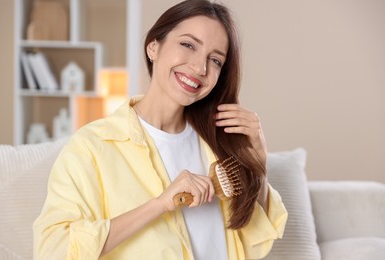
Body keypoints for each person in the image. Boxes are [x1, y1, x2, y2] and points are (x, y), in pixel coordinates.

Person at [33, 0, 288, 259]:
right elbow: (54, 250)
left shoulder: (218, 143)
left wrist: (259, 167)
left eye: (215, 60)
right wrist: (159, 205)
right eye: (188, 45)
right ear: (153, 47)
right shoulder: (93, 146)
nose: (200, 68)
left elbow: (254, 244)